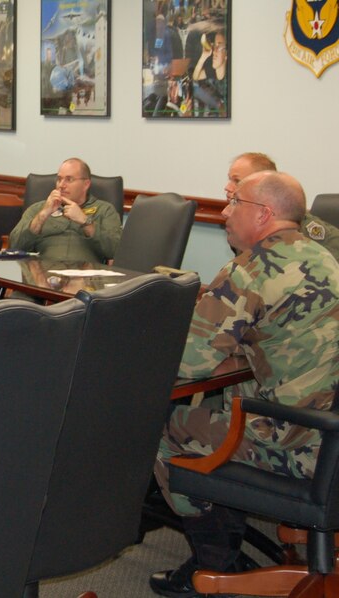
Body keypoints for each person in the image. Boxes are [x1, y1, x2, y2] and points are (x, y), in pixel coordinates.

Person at [149, 170, 339, 598]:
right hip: (327, 431)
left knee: (164, 425)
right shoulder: (324, 256)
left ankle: (218, 568)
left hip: (296, 445)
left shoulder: (251, 269)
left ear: (265, 214)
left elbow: (187, 362)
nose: (226, 212)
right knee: (229, 399)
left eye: (236, 203)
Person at [224, 152, 339, 260]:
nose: (228, 187)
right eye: (230, 179)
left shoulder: (297, 224)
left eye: (237, 181)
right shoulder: (241, 220)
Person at [8, 158, 121, 262]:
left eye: (69, 179)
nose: (61, 185)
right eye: (59, 179)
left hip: (86, 279)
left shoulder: (105, 210)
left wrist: (85, 221)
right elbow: (14, 246)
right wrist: (43, 215)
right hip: (42, 275)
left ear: (86, 184)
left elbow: (116, 250)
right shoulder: (38, 208)